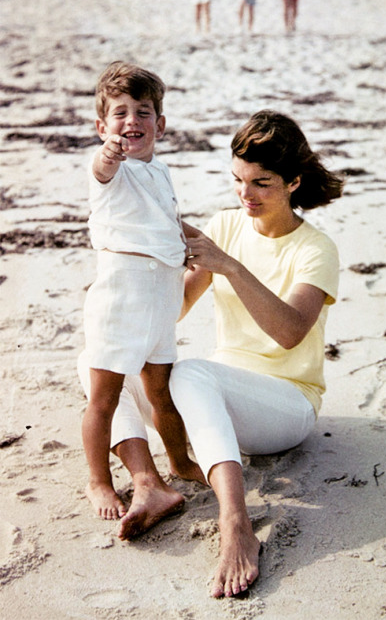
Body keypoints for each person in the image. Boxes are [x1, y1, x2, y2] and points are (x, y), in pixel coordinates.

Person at [79, 109, 342, 597]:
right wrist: (123, 290)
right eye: (238, 181)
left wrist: (231, 266)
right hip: (215, 402)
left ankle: (236, 524)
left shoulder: (315, 248)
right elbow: (173, 306)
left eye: (262, 183)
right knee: (100, 359)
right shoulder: (226, 224)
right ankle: (149, 482)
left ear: (294, 182)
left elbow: (289, 333)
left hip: (286, 406)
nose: (246, 195)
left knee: (192, 374)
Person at [78, 60, 204, 527]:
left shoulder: (161, 169)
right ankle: (98, 480)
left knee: (161, 392)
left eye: (144, 112)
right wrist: (109, 152)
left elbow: (165, 219)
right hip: (122, 295)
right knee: (104, 396)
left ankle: (179, 460)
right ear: (102, 126)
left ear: (161, 124)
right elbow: (102, 166)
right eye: (120, 113)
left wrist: (189, 245)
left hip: (161, 296)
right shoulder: (111, 171)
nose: (132, 121)